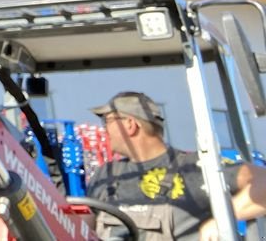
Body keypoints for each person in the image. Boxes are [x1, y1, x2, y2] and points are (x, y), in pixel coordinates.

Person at [86, 92, 266, 240]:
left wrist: (222, 221)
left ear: (130, 125)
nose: (104, 130)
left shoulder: (195, 168)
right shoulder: (106, 175)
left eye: (107, 121)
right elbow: (81, 227)